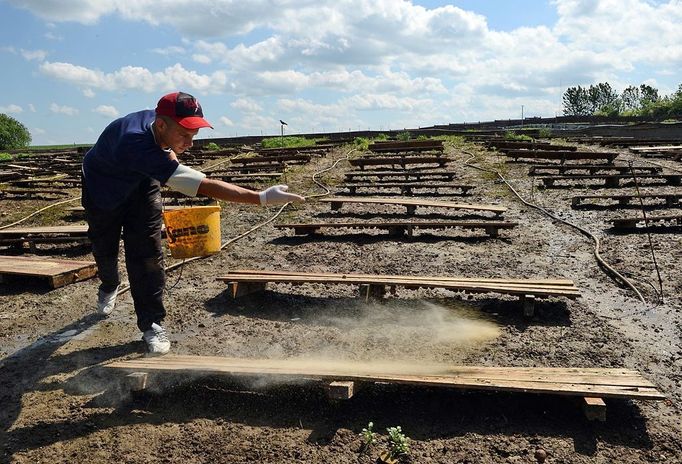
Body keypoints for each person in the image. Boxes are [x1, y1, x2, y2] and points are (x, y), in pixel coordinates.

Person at [81, 91, 304, 355]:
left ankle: (151, 323)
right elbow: (204, 185)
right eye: (184, 135)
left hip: (142, 184)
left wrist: (173, 152)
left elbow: (166, 153)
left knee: (148, 254)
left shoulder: (158, 126)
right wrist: (261, 197)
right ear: (162, 124)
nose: (191, 143)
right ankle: (109, 284)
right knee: (104, 247)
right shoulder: (134, 142)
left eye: (193, 135)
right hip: (103, 189)